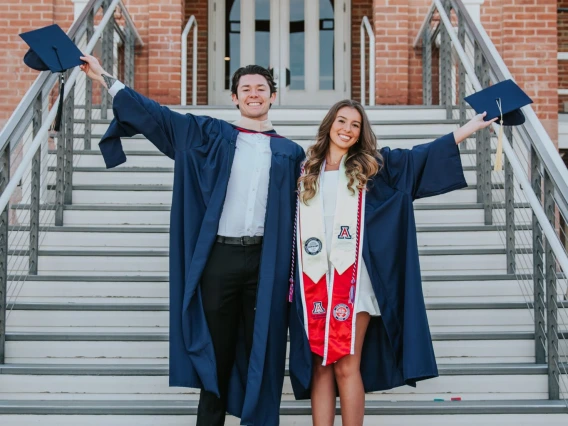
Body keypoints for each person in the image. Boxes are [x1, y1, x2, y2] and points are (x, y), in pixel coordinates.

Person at [80, 55, 304, 426]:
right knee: (215, 353)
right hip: (222, 258)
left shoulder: (290, 152)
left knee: (263, 352)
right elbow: (158, 116)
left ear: (272, 97)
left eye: (260, 89)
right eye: (245, 89)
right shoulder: (209, 135)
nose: (253, 94)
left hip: (268, 262)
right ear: (234, 97)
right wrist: (105, 77)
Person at [288, 99, 496, 426]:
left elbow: (418, 158)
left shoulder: (373, 169)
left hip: (353, 281)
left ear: (360, 133)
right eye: (341, 121)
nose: (347, 129)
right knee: (320, 366)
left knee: (345, 363)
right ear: (329, 124)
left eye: (355, 125)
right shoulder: (304, 171)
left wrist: (469, 128)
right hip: (312, 281)